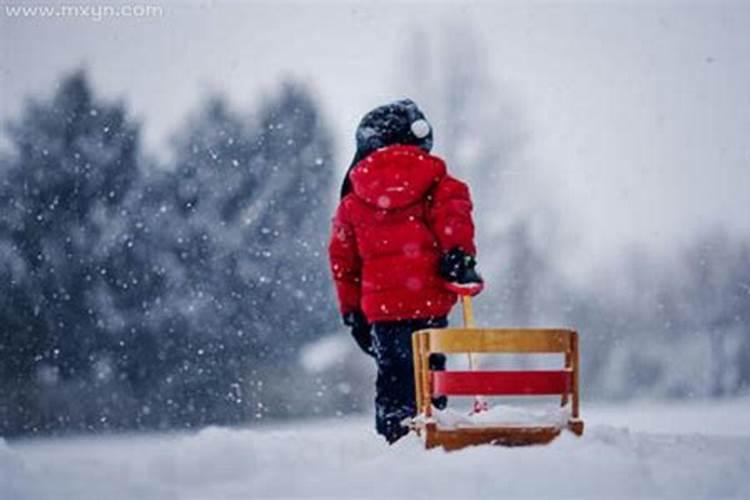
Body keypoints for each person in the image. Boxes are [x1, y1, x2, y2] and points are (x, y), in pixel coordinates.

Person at [328, 99, 483, 444]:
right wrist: (459, 256)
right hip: (429, 304)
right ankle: (434, 429)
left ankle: (397, 437)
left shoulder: (352, 202)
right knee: (430, 378)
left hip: (383, 313)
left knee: (394, 379)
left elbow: (343, 262)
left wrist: (352, 311)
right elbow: (454, 218)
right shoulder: (441, 184)